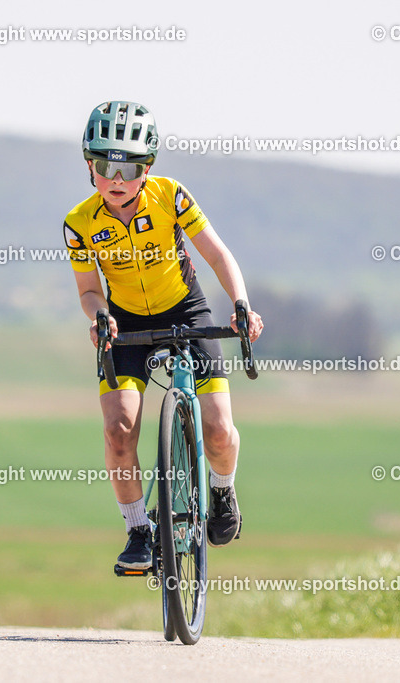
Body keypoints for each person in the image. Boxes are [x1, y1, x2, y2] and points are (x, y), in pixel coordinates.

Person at [63, 101, 264, 570]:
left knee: (217, 430)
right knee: (118, 430)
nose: (116, 178)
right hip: (126, 320)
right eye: (103, 165)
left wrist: (240, 304)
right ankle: (139, 530)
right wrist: (100, 318)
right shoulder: (79, 223)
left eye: (128, 167)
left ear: (147, 167)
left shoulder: (170, 196)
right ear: (89, 166)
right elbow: (89, 290)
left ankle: (221, 490)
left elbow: (216, 254)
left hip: (186, 310)